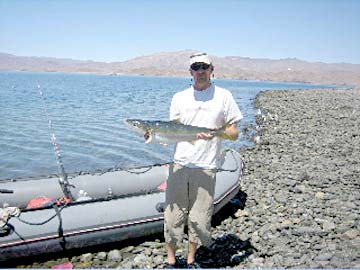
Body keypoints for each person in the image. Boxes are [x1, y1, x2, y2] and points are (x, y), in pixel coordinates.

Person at [164, 52, 243, 268]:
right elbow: (173, 132)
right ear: (190, 71)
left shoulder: (224, 96)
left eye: (204, 67)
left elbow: (234, 133)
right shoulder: (179, 97)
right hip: (180, 164)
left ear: (212, 69)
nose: (200, 71)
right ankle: (171, 261)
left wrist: (218, 133)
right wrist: (153, 137)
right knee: (172, 218)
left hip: (207, 166)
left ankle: (190, 260)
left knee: (199, 219)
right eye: (196, 67)